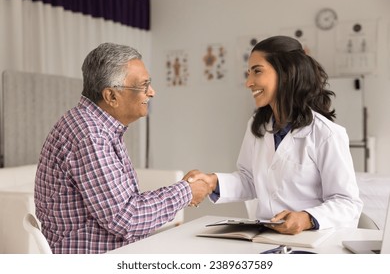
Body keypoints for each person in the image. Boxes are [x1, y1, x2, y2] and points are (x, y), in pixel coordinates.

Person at [34, 43, 210, 254]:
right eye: (144, 85)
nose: (152, 92)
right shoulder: (91, 136)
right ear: (111, 96)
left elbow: (125, 207)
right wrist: (186, 191)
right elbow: (126, 218)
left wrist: (183, 190)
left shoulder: (94, 126)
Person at [185, 35, 363, 235]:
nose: (249, 82)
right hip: (265, 235)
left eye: (257, 71)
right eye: (248, 73)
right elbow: (250, 180)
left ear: (285, 73)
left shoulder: (325, 133)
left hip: (312, 241)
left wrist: (306, 218)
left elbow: (347, 203)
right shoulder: (257, 125)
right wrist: (212, 182)